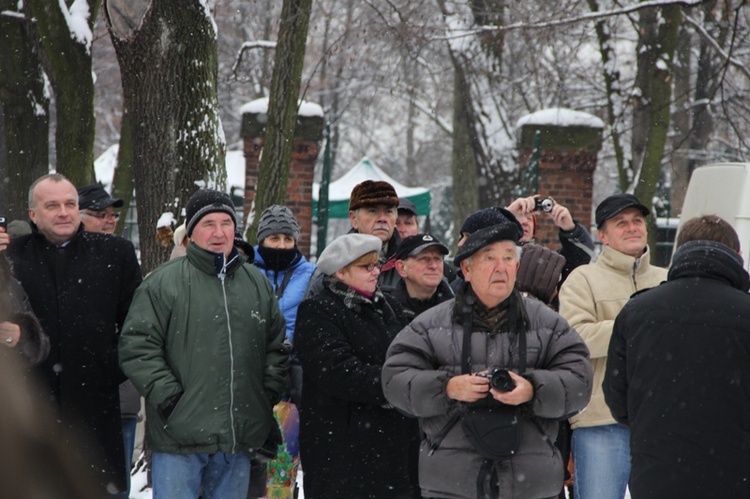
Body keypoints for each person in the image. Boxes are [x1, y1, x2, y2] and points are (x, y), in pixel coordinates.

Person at [382, 216, 593, 499]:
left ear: (517, 267)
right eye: (489, 258)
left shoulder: (548, 323)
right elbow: (395, 379)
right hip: (453, 482)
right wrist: (446, 388)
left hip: (531, 482)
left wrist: (533, 389)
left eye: (508, 258)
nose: (500, 267)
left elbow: (580, 380)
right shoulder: (430, 325)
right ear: (466, 270)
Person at [119, 188, 288, 499]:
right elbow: (137, 347)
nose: (219, 232)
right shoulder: (162, 283)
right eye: (208, 223)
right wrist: (172, 400)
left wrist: (263, 397)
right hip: (178, 438)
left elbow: (276, 347)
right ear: (191, 232)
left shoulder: (257, 283)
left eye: (226, 223)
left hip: (236, 441)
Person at [4, 173, 142, 495]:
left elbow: (137, 329)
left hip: (95, 408)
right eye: (52, 205)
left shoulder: (115, 254)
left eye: (70, 204)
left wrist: (108, 371)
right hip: (33, 409)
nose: (64, 212)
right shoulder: (12, 257)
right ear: (33, 215)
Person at [603, 215, 750, 498]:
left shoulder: (637, 313)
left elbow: (617, 397)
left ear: (678, 253)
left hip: (657, 474)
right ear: (738, 256)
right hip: (735, 475)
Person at [558, 193, 667, 499]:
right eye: (621, 223)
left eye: (637, 220)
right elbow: (574, 338)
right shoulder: (583, 279)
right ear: (602, 236)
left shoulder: (668, 279)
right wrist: (636, 325)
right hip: (600, 419)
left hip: (661, 419)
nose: (632, 227)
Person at [294, 233, 419, 498]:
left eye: (377, 265)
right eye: (367, 267)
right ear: (340, 272)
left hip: (393, 446)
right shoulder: (317, 311)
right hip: (342, 450)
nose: (376, 272)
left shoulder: (390, 307)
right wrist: (398, 384)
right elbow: (338, 372)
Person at [76, 183, 141, 496]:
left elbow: (136, 324)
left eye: (113, 214)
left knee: (112, 484)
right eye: (100, 214)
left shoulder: (122, 256)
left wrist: (113, 367)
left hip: (113, 393)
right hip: (59, 393)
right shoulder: (51, 259)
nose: (110, 220)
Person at [249, 205, 315, 499]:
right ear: (262, 239)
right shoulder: (244, 268)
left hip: (290, 382)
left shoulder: (311, 274)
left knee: (282, 467)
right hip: (250, 379)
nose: (282, 246)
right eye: (274, 238)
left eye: (288, 239)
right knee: (247, 468)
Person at [506, 194, 595, 282]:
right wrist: (505, 214)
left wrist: (570, 229)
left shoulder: (547, 261)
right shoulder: (495, 256)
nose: (525, 221)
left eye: (529, 218)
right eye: (519, 217)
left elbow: (583, 254)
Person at [390, 233, 454, 321]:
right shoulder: (388, 312)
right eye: (424, 259)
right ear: (401, 268)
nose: (434, 266)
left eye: (437, 259)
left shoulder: (458, 311)